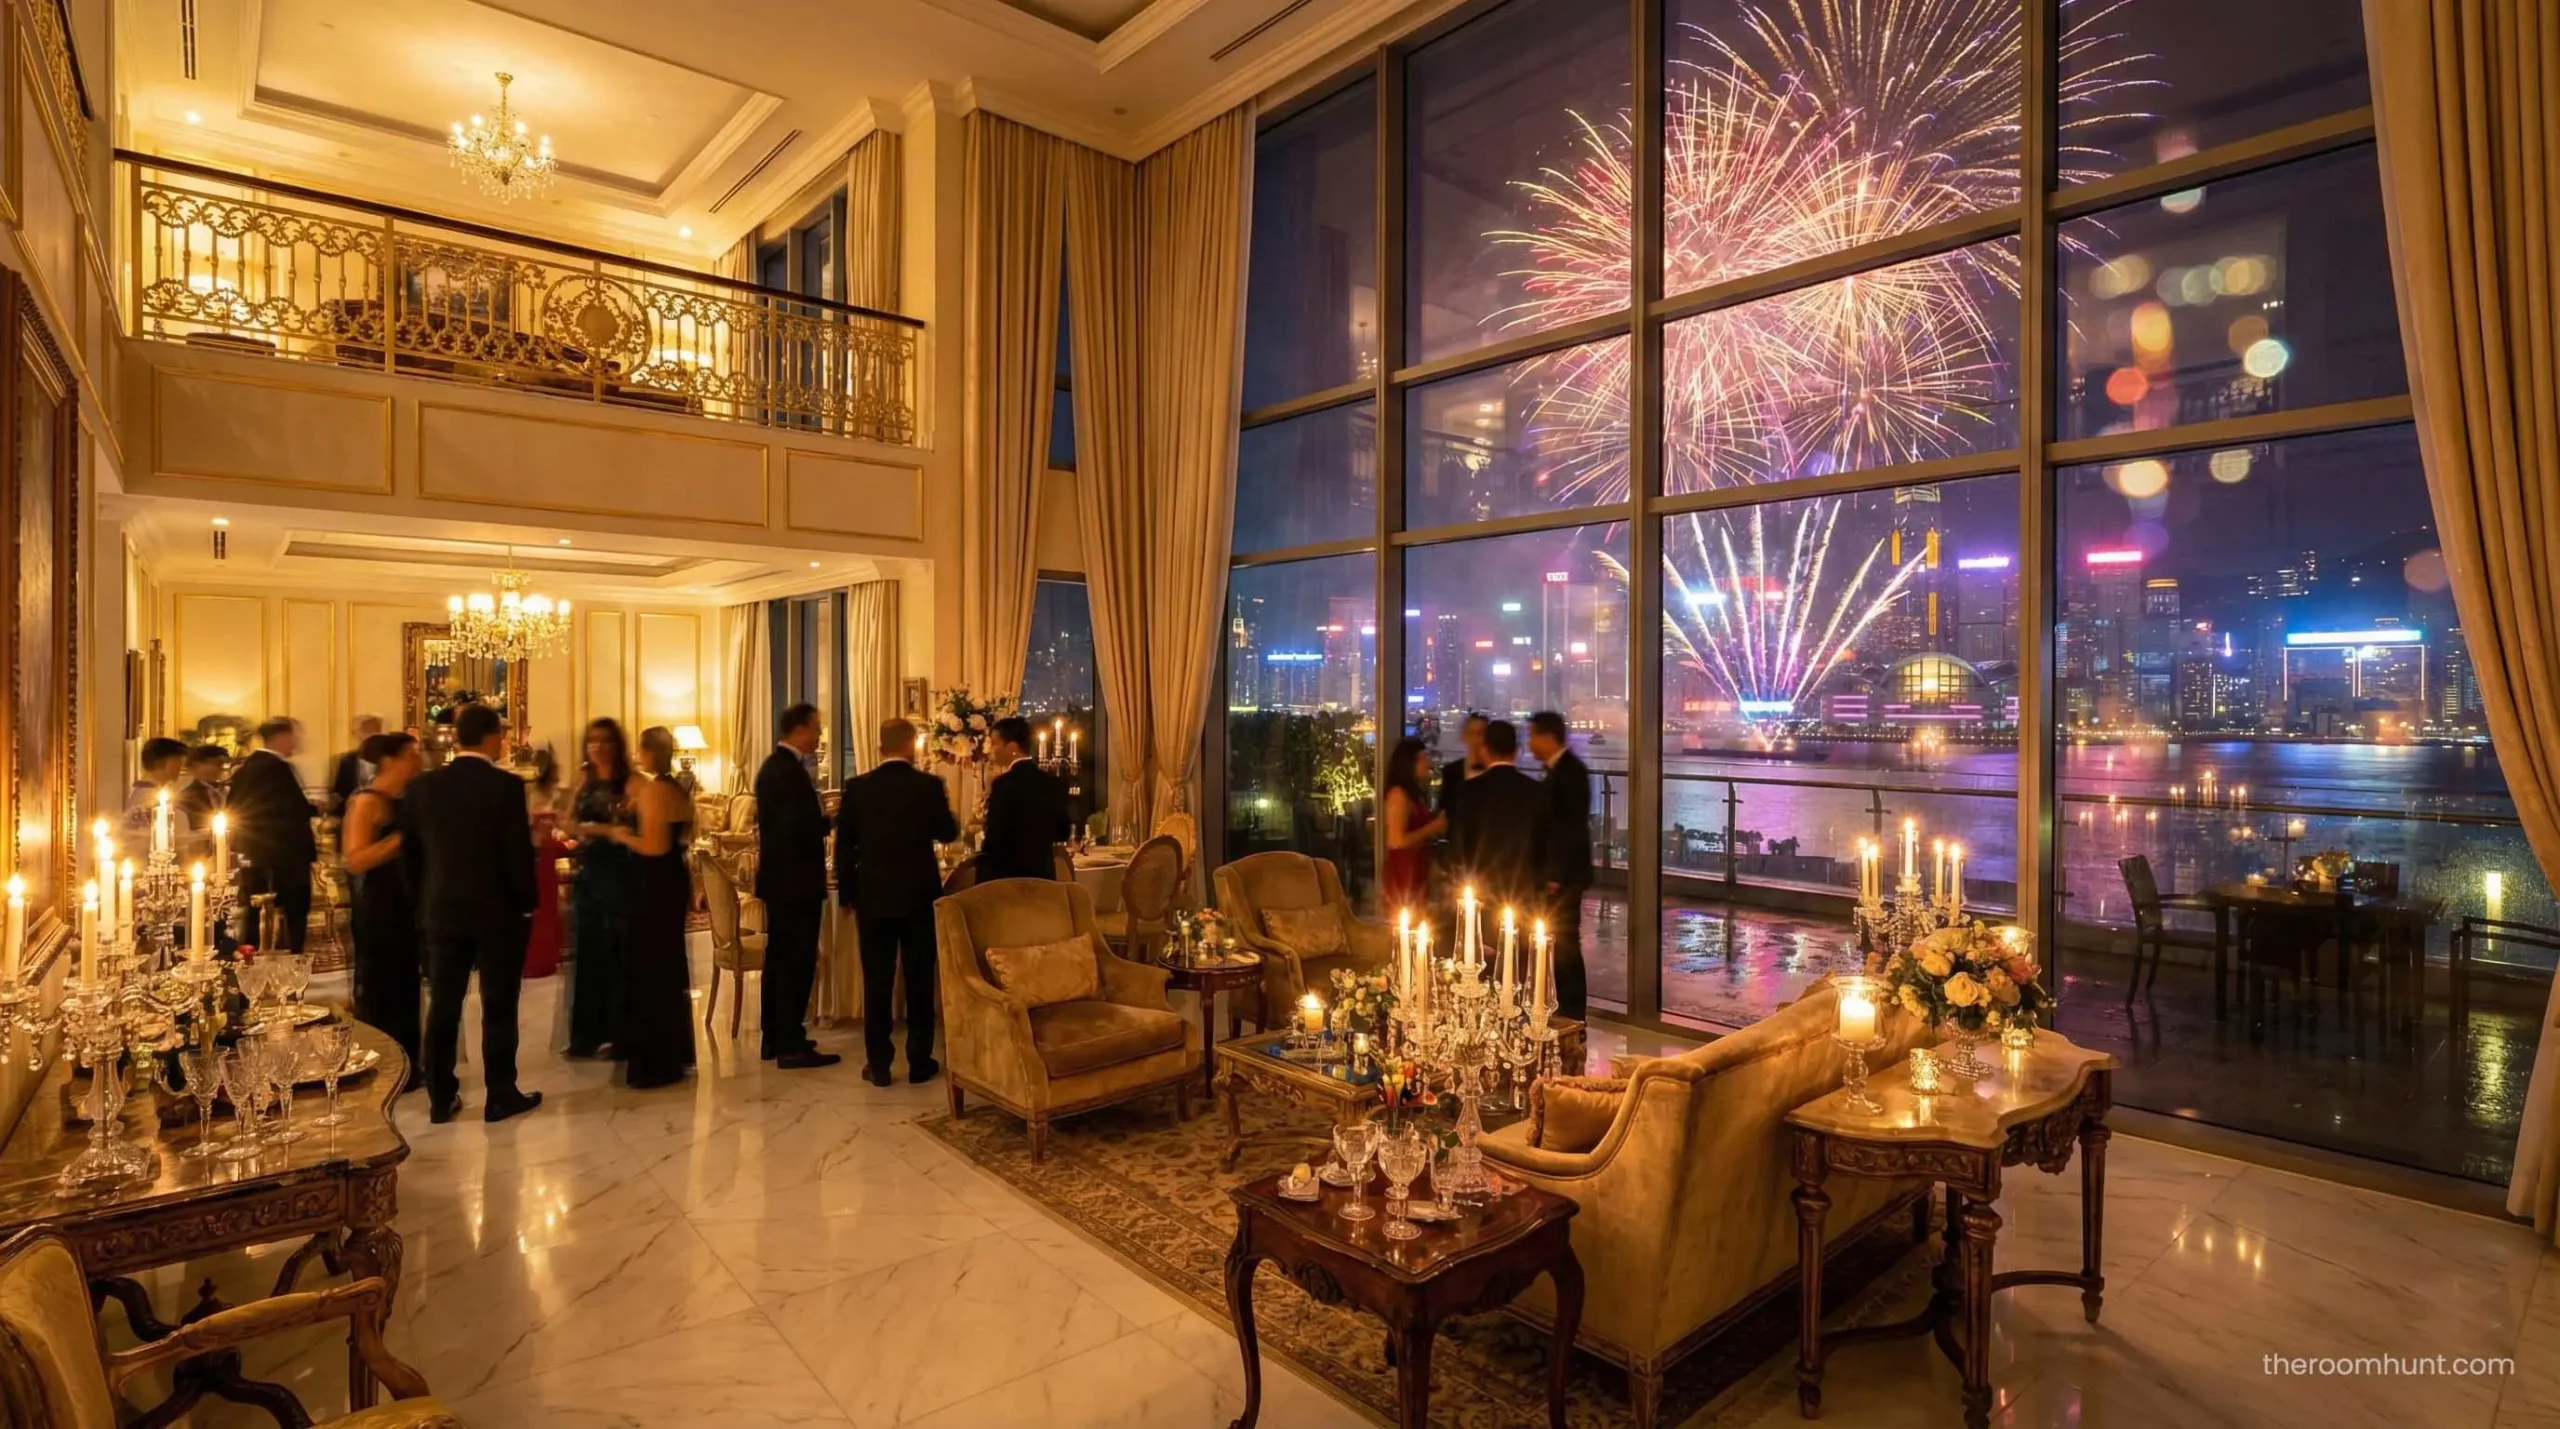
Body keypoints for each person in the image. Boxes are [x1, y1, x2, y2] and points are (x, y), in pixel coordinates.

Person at [405, 704, 542, 1124]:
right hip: (496, 913)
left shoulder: (423, 787)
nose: (503, 741)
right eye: (501, 735)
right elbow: (517, 854)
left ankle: (440, 1098)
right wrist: (528, 903)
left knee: (443, 1004)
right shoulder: (505, 787)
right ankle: (500, 1094)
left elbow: (411, 856)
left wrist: (423, 900)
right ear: (488, 737)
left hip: (441, 911)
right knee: (498, 1004)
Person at [835, 717, 959, 1088]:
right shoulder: (928, 785)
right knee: (919, 980)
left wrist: (847, 894)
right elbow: (947, 833)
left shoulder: (857, 788)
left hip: (873, 896)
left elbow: (844, 846)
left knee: (877, 981)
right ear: (912, 746)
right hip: (920, 895)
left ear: (879, 748)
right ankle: (920, 1061)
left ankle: (879, 1064)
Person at [584, 727, 696, 1090]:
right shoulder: (679, 789)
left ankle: (655, 1061)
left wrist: (618, 834)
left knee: (649, 971)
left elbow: (653, 846)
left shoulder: (654, 791)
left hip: (652, 886)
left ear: (648, 754)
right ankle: (675, 1051)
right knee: (668, 966)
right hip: (672, 882)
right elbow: (680, 838)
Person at [754, 703, 839, 1068]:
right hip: (795, 882)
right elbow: (797, 828)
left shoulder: (773, 767)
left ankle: (774, 1035)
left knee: (778, 961)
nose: (819, 735)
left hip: (779, 881)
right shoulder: (787, 771)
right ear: (800, 729)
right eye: (816, 729)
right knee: (796, 962)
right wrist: (831, 819)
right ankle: (790, 1042)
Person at [341, 731, 424, 1082]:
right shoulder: (366, 801)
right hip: (380, 904)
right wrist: (401, 840)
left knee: (407, 984)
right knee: (382, 983)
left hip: (409, 901)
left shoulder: (411, 797)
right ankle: (383, 1064)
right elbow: (355, 859)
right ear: (391, 760)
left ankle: (409, 1062)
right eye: (411, 755)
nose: (418, 761)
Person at [564, 719, 636, 1058]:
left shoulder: (629, 783)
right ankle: (588, 1035)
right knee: (589, 952)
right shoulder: (585, 781)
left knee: (617, 953)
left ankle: (620, 1034)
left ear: (616, 745)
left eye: (605, 741)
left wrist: (603, 831)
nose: (597, 747)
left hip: (620, 873)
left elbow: (630, 831)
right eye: (592, 741)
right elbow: (568, 822)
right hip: (589, 873)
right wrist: (591, 830)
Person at [228, 718, 319, 955]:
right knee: (294, 910)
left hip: (257, 851)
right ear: (281, 737)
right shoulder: (274, 767)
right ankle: (293, 961)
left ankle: (250, 957)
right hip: (284, 854)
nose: (297, 741)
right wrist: (315, 809)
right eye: (294, 735)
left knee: (255, 911)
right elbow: (287, 809)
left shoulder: (248, 767)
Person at [1528, 711, 1594, 1020]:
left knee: (1565, 941)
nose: (1529, 743)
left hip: (1565, 876)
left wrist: (1554, 875)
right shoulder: (1559, 770)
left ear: (1547, 737)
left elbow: (1568, 830)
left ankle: (1572, 1010)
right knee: (1560, 940)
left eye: (1532, 735)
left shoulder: (1570, 772)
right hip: (1564, 873)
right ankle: (1564, 1007)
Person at [1456, 720, 1544, 912]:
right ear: (1516, 751)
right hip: (1523, 885)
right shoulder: (1535, 791)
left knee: (1481, 938)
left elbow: (1460, 843)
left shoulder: (1469, 790)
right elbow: (1543, 842)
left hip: (1482, 885)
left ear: (1484, 750)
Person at [976, 717, 1069, 882]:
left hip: (1009, 878)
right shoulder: (1052, 782)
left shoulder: (1003, 784)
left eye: (995, 743)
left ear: (1012, 747)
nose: (991, 750)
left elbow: (995, 838)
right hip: (1043, 876)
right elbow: (1063, 832)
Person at [1381, 736, 1445, 914]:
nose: (1428, 763)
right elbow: (1395, 841)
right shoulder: (1398, 795)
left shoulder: (1413, 794)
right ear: (1410, 763)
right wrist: (1430, 829)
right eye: (1423, 759)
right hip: (1403, 873)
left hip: (1416, 869)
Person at [1436, 713, 1491, 871]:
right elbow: (1445, 811)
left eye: (1481, 733)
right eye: (1471, 733)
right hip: (1459, 857)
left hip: (1493, 854)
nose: (1476, 739)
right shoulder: (1451, 772)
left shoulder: (1498, 772)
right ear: (1464, 736)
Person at [122, 737, 192, 842]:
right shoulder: (152, 798)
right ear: (170, 763)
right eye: (180, 763)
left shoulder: (139, 793)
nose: (180, 769)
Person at [329, 715, 385, 817]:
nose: (368, 735)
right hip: (352, 814)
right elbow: (340, 793)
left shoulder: (390, 759)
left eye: (371, 730)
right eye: (364, 730)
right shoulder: (347, 761)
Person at [176, 745, 229, 833]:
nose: (219, 769)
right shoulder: (185, 797)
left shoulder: (229, 790)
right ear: (196, 766)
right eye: (214, 763)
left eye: (221, 765)